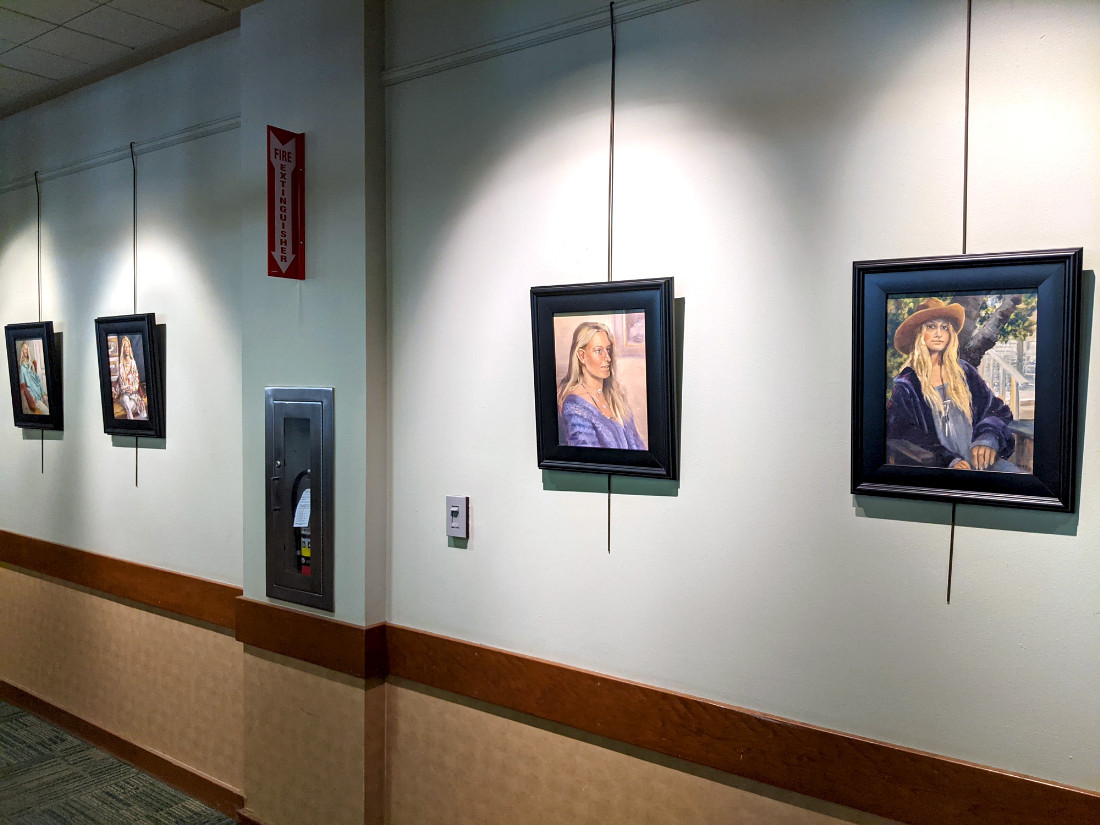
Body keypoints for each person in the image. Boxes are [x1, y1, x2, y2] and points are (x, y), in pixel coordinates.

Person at [886, 297, 1019, 472]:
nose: (939, 334)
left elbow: (997, 410)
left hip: (981, 465)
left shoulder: (964, 372)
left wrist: (987, 438)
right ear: (918, 334)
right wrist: (949, 460)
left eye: (944, 327)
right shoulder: (907, 384)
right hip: (940, 469)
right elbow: (904, 433)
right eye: (931, 326)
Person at [557, 321, 645, 449]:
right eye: (598, 351)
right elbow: (589, 458)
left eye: (608, 350)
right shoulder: (574, 405)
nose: (607, 358)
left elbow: (637, 444)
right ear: (581, 356)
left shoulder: (616, 395)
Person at [114, 336, 147, 420]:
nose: (126, 349)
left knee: (130, 404)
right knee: (125, 399)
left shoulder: (133, 363)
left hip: (134, 393)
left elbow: (136, 379)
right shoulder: (121, 365)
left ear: (130, 348)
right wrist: (127, 389)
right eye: (125, 347)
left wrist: (133, 389)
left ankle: (130, 416)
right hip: (124, 393)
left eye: (128, 347)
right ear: (123, 349)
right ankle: (130, 416)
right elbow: (121, 383)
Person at [17, 341, 48, 415]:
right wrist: (32, 396)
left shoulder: (31, 364)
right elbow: (23, 386)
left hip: (40, 393)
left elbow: (37, 381)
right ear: (22, 351)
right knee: (46, 412)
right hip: (34, 398)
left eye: (27, 349)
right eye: (24, 349)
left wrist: (43, 393)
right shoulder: (22, 368)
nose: (26, 351)